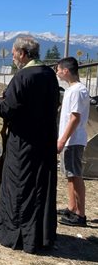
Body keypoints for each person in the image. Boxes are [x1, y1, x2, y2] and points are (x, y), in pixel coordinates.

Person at [0, 36, 59, 254]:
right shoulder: (49, 75)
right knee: (40, 187)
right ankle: (39, 236)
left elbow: (9, 109)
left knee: (19, 186)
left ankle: (16, 234)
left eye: (14, 52)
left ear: (23, 54)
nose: (13, 56)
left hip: (23, 142)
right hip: (44, 140)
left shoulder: (23, 76)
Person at [56, 57, 89, 227]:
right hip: (69, 140)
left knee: (75, 175)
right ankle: (72, 207)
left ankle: (80, 214)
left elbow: (75, 118)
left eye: (58, 69)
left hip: (73, 140)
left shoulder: (77, 90)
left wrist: (62, 140)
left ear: (66, 71)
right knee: (69, 175)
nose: (57, 72)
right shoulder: (72, 90)